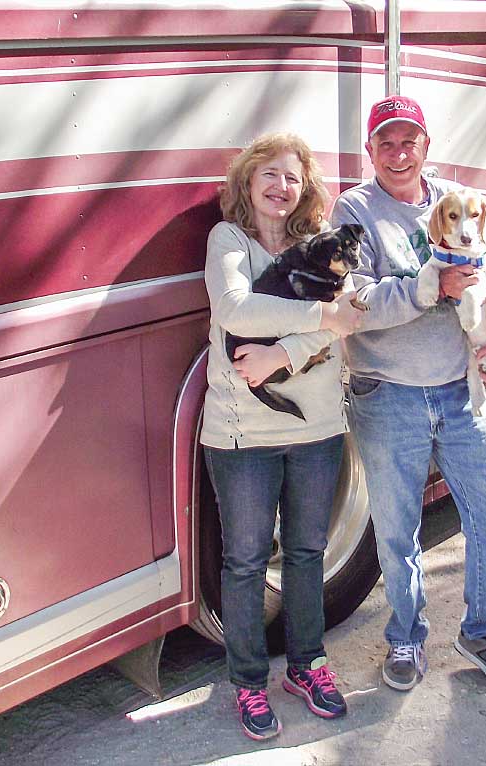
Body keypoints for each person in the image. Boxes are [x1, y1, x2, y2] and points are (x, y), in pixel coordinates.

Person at [330, 96, 486, 693]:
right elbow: (352, 305)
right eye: (386, 143)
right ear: (370, 151)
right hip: (387, 394)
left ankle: (485, 634)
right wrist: (430, 288)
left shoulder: (467, 204)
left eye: (410, 141)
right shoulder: (353, 210)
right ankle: (405, 638)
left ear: (427, 147)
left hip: (462, 393)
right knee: (397, 532)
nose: (399, 154)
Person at [201, 132, 363, 740]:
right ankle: (248, 683)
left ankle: (306, 665)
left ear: (305, 188)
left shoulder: (319, 243)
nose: (280, 186)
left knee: (305, 553)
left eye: (291, 177)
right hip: (242, 432)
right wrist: (320, 317)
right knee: (244, 562)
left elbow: (346, 324)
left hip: (316, 425)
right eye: (268, 174)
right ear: (248, 182)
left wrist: (280, 358)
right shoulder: (229, 241)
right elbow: (236, 312)